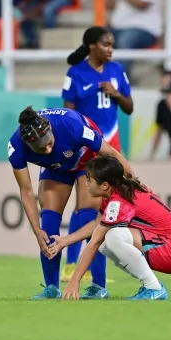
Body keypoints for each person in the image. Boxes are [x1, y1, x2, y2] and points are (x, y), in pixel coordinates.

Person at [8, 106, 135, 300]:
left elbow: (111, 153)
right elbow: (26, 191)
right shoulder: (16, 147)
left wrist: (133, 180)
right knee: (48, 222)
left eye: (49, 143)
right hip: (57, 168)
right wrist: (36, 229)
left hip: (87, 160)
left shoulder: (72, 127)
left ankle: (98, 285)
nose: (48, 149)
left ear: (50, 128)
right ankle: (51, 287)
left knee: (86, 214)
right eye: (41, 149)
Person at [48, 156, 171, 301]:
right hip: (170, 246)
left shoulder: (118, 202)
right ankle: (151, 286)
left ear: (104, 185)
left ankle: (154, 288)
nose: (86, 184)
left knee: (112, 236)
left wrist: (74, 281)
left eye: (89, 180)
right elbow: (97, 225)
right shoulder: (117, 193)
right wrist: (65, 241)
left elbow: (94, 241)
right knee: (105, 243)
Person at [59, 26, 133, 283]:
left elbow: (130, 107)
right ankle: (72, 265)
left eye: (112, 44)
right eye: (106, 44)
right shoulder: (76, 73)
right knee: (86, 206)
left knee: (102, 208)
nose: (110, 49)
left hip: (111, 149)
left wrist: (117, 95)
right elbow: (68, 111)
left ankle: (93, 272)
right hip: (86, 146)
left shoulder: (117, 71)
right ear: (92, 46)